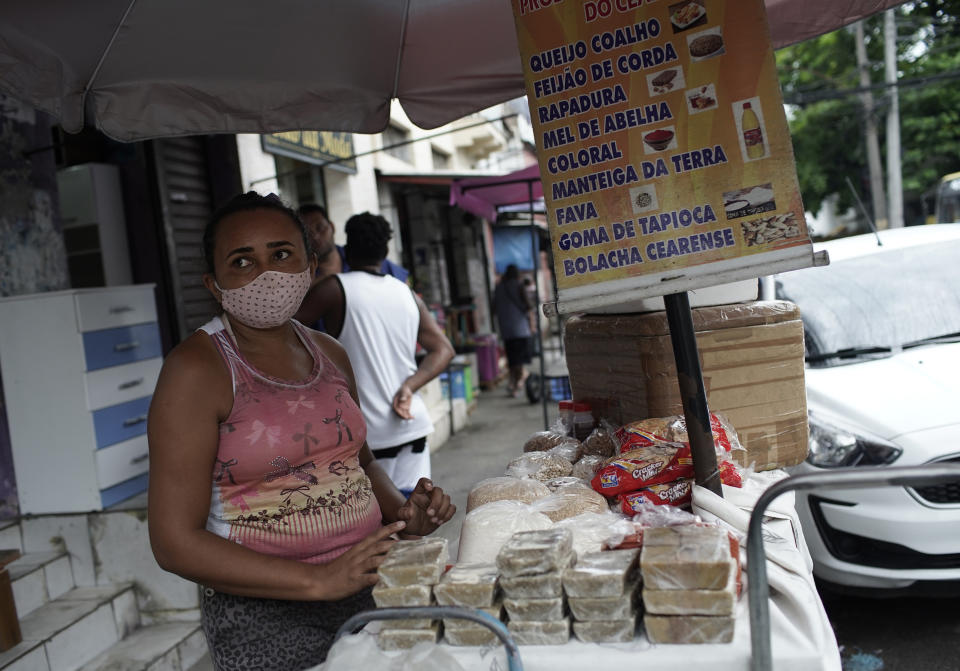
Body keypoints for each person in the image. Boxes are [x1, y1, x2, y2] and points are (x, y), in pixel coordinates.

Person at [147, 192, 455, 671]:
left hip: (370, 587)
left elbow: (361, 462)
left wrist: (404, 513)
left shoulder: (331, 353)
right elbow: (173, 541)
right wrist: (319, 581)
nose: (266, 273)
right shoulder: (196, 369)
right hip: (265, 617)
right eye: (242, 261)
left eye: (282, 254)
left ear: (312, 266)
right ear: (214, 283)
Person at [296, 212, 454, 497]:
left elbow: (281, 332)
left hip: (366, 439)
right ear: (385, 250)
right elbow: (444, 350)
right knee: (412, 521)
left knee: (377, 528)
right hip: (411, 427)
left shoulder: (334, 289)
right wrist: (409, 386)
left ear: (348, 246)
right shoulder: (406, 294)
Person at [297, 203, 409, 284]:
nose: (315, 236)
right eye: (307, 233)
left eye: (320, 228)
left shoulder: (363, 257)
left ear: (332, 227)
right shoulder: (298, 274)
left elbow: (406, 291)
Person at [493, 264, 533, 397]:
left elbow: (493, 308)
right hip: (520, 329)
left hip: (506, 329)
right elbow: (528, 305)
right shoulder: (519, 285)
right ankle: (517, 384)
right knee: (519, 360)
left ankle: (514, 383)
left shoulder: (498, 288)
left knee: (512, 359)